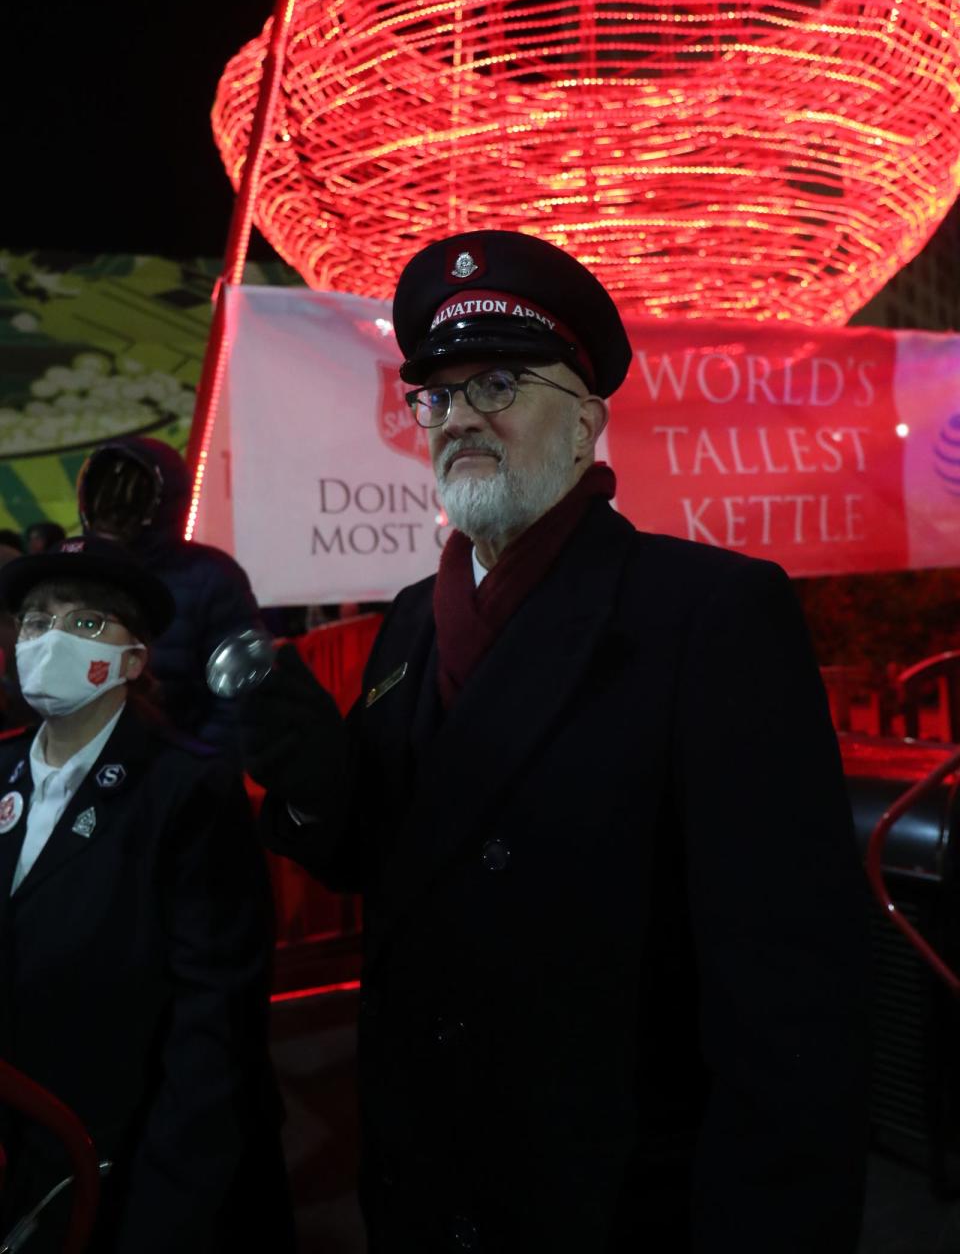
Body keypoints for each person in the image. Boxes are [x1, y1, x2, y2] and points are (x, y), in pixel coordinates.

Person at [244, 230, 872, 1253]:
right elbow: (391, 863)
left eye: (497, 383)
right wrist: (318, 787)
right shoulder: (408, 621)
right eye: (436, 398)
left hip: (609, 1191)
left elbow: (790, 993)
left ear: (586, 424)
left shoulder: (708, 613)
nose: (459, 420)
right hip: (427, 1159)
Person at [0, 536, 293, 1254]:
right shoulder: (3, 771)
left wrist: (167, 1215)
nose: (53, 639)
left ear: (134, 661)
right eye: (37, 621)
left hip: (133, 1175)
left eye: (88, 623)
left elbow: (214, 1027)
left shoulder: (188, 791)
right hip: (23, 1162)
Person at [76, 436, 261, 758]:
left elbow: (239, 691)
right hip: (86, 768)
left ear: (164, 502)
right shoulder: (75, 574)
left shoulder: (212, 576)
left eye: (132, 496)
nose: (115, 511)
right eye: (105, 496)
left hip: (183, 770)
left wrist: (193, 768)